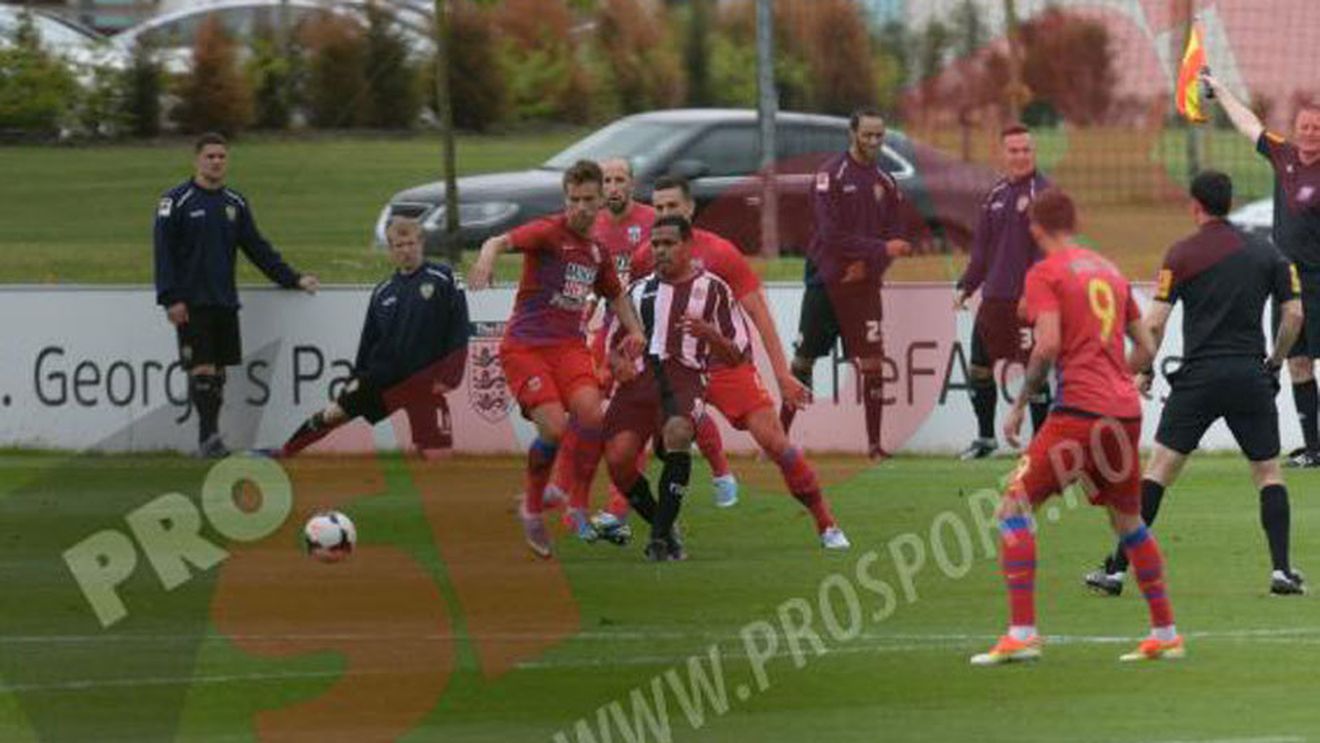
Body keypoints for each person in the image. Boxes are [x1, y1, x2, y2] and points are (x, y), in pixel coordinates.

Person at [970, 189, 1182, 665]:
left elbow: (1046, 346)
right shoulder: (1108, 269)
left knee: (1012, 509)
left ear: (1035, 228)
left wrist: (1020, 403)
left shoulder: (1046, 272)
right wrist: (1118, 379)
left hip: (1079, 414)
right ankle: (1165, 631)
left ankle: (1022, 633)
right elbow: (1146, 347)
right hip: (1125, 414)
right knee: (1128, 521)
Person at [1084, 171, 1306, 597]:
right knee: (1267, 472)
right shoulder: (1267, 253)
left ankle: (1116, 571)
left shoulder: (1181, 254)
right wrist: (1274, 362)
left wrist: (1143, 368)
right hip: (1249, 375)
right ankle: (1281, 571)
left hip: (1198, 377)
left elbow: (1155, 321)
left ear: (1195, 206)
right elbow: (1293, 315)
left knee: (1159, 471)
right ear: (1230, 201)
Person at [605, 175, 847, 550]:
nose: (664, 213)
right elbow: (626, 312)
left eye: (672, 207)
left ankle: (826, 524)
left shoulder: (721, 254)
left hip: (724, 366)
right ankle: (626, 515)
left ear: (690, 208)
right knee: (639, 441)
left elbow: (758, 314)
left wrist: (782, 374)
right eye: (659, 207)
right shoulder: (644, 257)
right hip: (670, 366)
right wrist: (616, 358)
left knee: (774, 440)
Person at [546, 157, 739, 539]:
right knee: (590, 412)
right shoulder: (588, 224)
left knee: (676, 419)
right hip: (615, 325)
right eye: (608, 180)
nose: (614, 186)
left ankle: (716, 473)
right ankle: (577, 500)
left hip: (651, 334)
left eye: (620, 179)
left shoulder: (654, 227)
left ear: (632, 184)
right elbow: (591, 282)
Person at [467, 159, 646, 559]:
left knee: (593, 416)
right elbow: (498, 241)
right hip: (527, 346)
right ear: (566, 199)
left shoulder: (597, 251)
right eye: (574, 200)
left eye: (588, 199)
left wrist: (635, 330)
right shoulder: (549, 233)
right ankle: (534, 508)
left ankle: (566, 495)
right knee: (554, 428)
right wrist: (486, 259)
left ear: (601, 200)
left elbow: (615, 294)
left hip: (568, 347)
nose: (581, 207)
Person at [154, 132, 319, 458]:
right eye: (210, 156)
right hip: (192, 302)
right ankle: (208, 440)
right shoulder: (175, 202)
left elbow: (257, 248)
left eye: (221, 156)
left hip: (224, 301)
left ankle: (213, 439)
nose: (216, 162)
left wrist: (293, 278)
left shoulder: (235, 203)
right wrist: (170, 297)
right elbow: (163, 253)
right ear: (197, 160)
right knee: (201, 368)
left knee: (218, 373)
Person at [601, 215, 750, 561]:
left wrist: (709, 335)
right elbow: (612, 345)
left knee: (678, 432)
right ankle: (666, 527)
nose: (660, 250)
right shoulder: (637, 292)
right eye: (655, 244)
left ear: (688, 247)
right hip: (638, 381)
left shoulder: (714, 290)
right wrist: (617, 363)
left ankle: (657, 540)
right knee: (618, 459)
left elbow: (736, 356)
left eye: (668, 243)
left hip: (684, 377)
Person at [275, 217, 470, 458]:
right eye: (399, 245)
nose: (406, 250)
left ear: (421, 243)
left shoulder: (446, 278)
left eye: (411, 243)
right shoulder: (383, 291)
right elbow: (368, 341)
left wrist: (451, 375)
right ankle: (285, 452)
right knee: (333, 414)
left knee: (438, 455)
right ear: (391, 250)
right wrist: (356, 377)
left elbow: (460, 328)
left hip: (424, 382)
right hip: (383, 376)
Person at [781, 107, 912, 459]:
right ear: (852, 134)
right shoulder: (830, 176)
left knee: (872, 365)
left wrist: (870, 268)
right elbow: (830, 234)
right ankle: (778, 441)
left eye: (878, 135)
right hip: (826, 283)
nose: (873, 141)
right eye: (867, 134)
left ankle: (874, 446)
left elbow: (896, 239)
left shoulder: (887, 183)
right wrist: (878, 249)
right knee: (804, 362)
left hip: (864, 289)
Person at [1203, 73, 1320, 466]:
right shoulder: (1283, 155)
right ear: (1295, 129)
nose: (1309, 133)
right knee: (1297, 362)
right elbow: (1248, 123)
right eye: (1304, 126)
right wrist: (1219, 92)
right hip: (1288, 284)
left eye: (1317, 128)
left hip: (1319, 283)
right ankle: (1314, 449)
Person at [954, 124, 1052, 460]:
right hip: (994, 299)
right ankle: (985, 439)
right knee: (979, 368)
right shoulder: (995, 195)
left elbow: (1047, 251)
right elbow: (981, 251)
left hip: (1028, 302)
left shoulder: (1045, 193)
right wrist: (966, 286)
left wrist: (1034, 293)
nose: (1021, 156)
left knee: (1035, 372)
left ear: (1034, 152)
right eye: (1014, 150)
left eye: (1026, 149)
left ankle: (1041, 445)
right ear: (1002, 154)